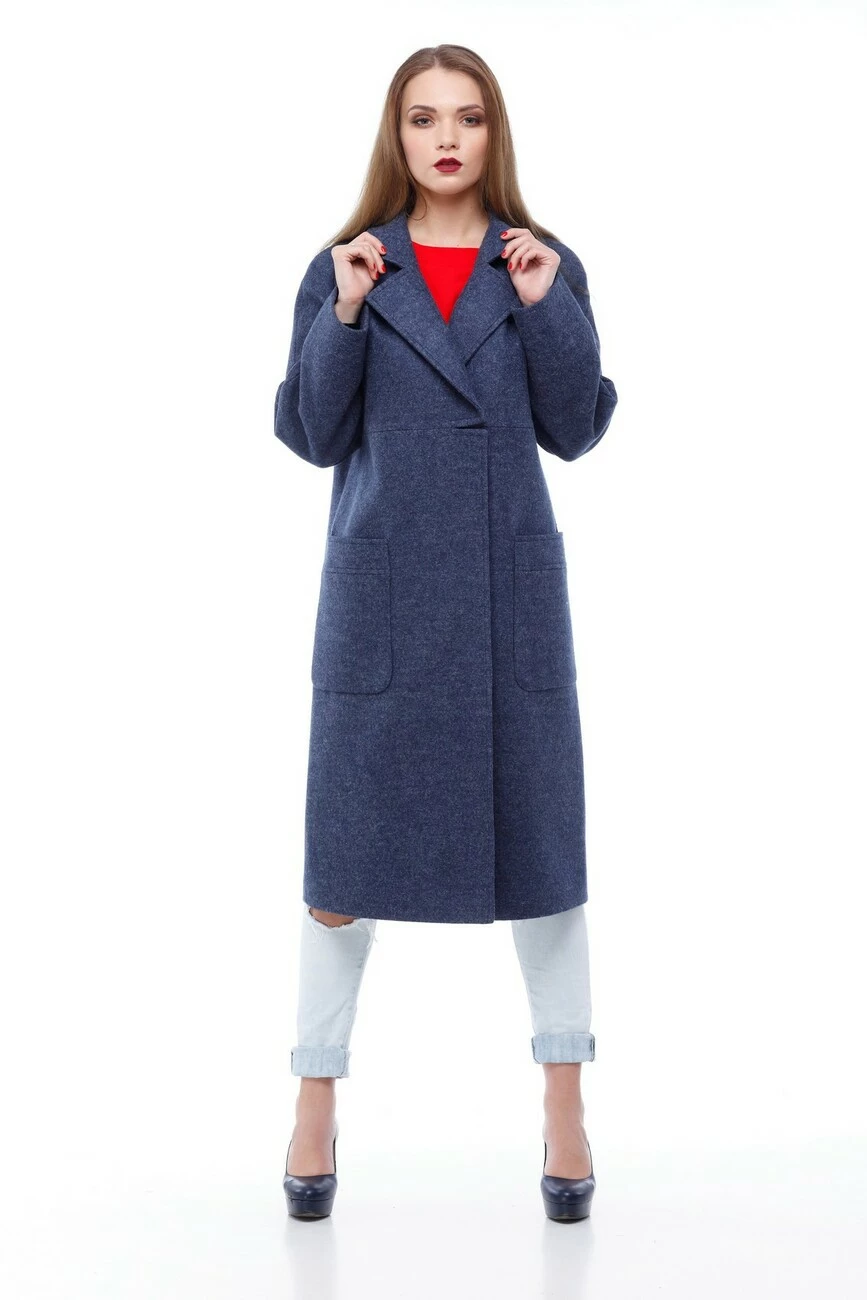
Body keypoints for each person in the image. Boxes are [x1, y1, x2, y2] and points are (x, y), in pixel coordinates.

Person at [274, 43, 618, 1222]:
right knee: (339, 871)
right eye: (423, 119)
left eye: (466, 117)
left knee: (546, 861)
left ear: (491, 132)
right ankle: (314, 1100)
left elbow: (576, 426)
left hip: (504, 600)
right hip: (383, 605)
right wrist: (347, 311)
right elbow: (315, 433)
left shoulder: (540, 261)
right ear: (398, 136)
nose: (447, 139)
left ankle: (564, 1106)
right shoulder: (348, 265)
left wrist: (545, 306)